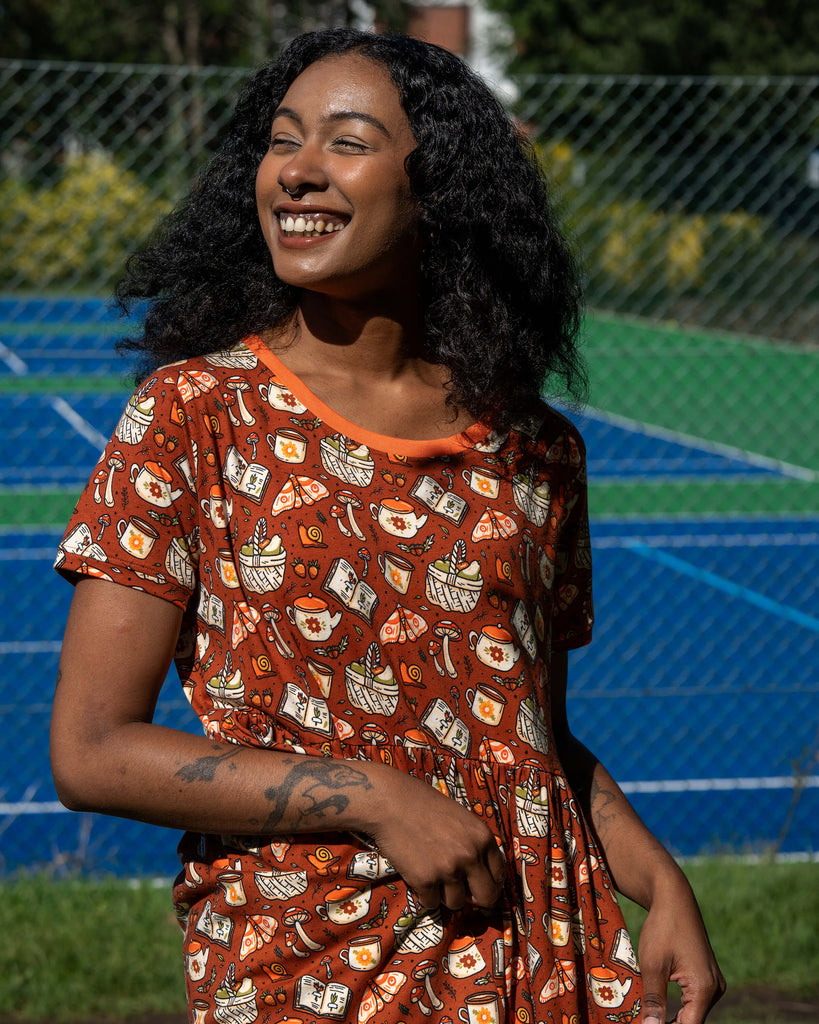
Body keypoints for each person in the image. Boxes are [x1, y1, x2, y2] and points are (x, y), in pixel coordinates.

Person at [50, 27, 725, 1024]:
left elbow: (525, 735)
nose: (300, 172)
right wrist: (371, 795)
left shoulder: (535, 450)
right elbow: (91, 748)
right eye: (284, 143)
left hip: (539, 962)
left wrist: (657, 877)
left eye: (347, 141)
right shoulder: (193, 413)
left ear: (437, 191)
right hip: (306, 970)